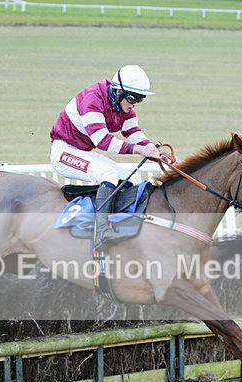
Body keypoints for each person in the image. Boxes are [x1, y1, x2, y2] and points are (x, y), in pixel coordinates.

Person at [50, 65, 165, 249]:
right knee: (108, 175)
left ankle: (126, 226)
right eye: (132, 98)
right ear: (118, 91)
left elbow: (132, 131)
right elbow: (103, 140)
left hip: (83, 151)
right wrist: (138, 150)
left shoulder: (123, 105)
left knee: (134, 180)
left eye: (140, 99)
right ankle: (101, 230)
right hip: (64, 152)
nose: (135, 104)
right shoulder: (92, 99)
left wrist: (152, 150)